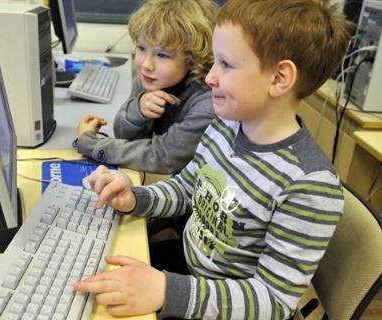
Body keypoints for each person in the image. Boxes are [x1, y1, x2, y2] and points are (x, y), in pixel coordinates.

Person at [74, 0, 352, 319]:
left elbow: (274, 301)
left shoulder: (309, 185)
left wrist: (166, 290)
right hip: (193, 270)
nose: (209, 78)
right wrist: (135, 198)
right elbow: (187, 188)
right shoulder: (226, 125)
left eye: (226, 64)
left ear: (279, 78)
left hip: (230, 306)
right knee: (89, 277)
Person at [75, 0, 217, 175]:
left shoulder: (209, 100)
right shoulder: (151, 79)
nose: (146, 65)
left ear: (194, 59)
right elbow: (125, 138)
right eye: (142, 48)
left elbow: (164, 157)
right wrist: (138, 109)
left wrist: (90, 143)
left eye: (162, 55)